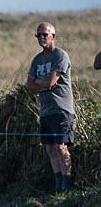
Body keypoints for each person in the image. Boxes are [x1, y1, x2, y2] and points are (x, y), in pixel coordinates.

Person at [25, 22, 74, 192]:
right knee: (50, 148)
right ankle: (58, 184)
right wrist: (43, 84)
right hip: (45, 110)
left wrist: (42, 83)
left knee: (61, 146)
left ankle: (67, 184)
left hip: (61, 108)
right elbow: (28, 85)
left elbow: (52, 82)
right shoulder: (37, 60)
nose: (41, 38)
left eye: (44, 35)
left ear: (53, 36)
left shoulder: (60, 56)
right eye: (38, 35)